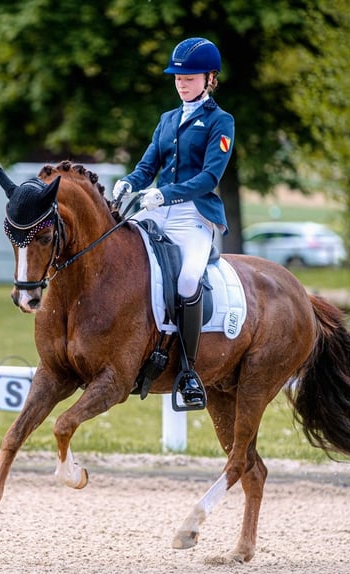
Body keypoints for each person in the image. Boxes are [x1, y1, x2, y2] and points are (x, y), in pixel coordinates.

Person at [113, 37, 235, 409]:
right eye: (178, 78)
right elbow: (148, 166)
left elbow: (208, 178)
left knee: (186, 280)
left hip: (194, 215)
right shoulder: (167, 120)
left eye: (190, 77)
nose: (182, 83)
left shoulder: (220, 121)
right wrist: (129, 182)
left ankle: (188, 370)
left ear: (209, 78)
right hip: (155, 208)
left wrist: (167, 194)